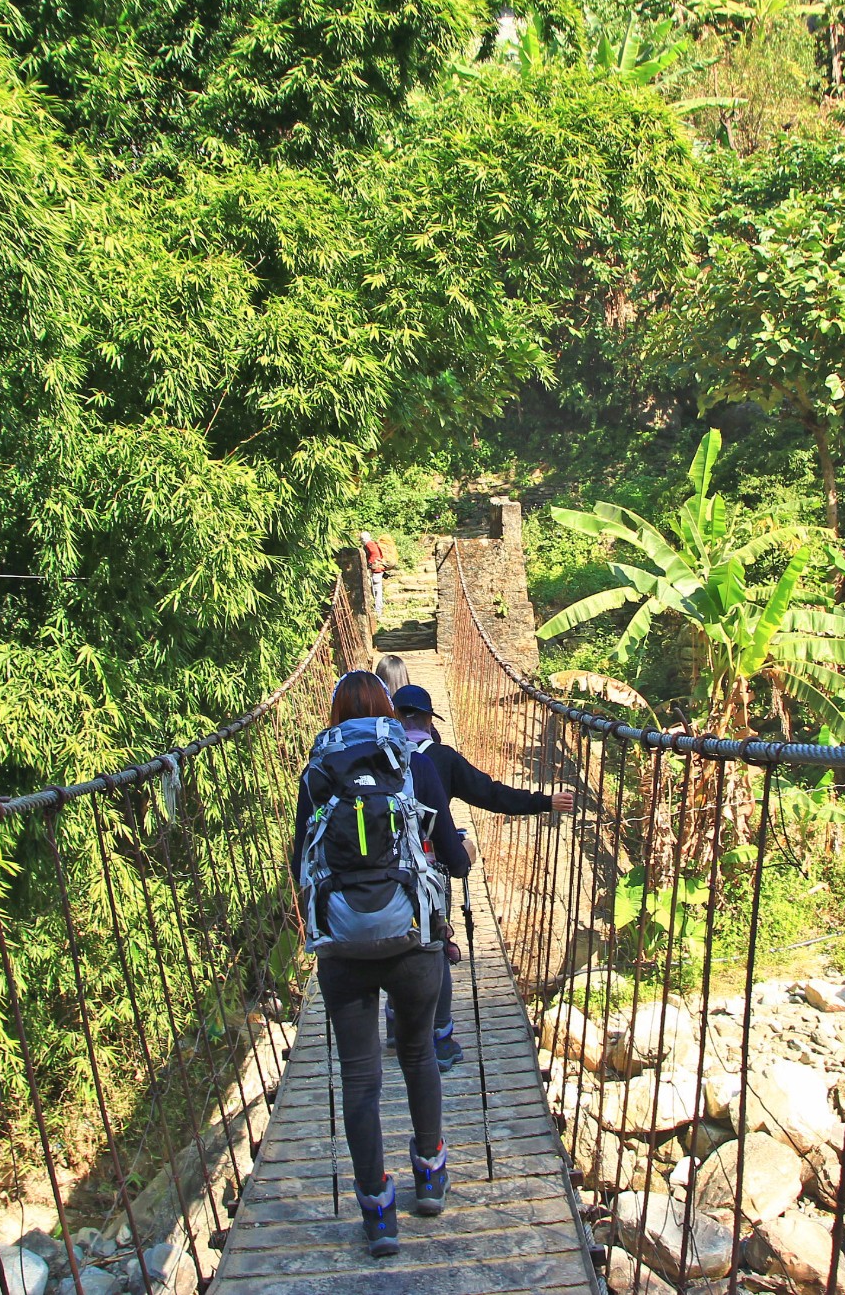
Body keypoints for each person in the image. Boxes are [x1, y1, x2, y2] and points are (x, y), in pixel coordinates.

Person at [294, 671, 470, 1256]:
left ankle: (377, 1214)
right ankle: (431, 1176)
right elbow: (446, 850)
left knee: (360, 1079)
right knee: (419, 1054)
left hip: (343, 945)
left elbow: (302, 862)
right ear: (389, 713)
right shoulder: (413, 759)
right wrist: (460, 860)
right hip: (411, 938)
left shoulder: (318, 772)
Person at [387, 682, 574, 1070]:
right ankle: (439, 1041)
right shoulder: (439, 758)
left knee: (395, 943)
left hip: (381, 873)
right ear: (427, 719)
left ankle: (396, 1025)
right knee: (433, 948)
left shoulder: (372, 755)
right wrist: (545, 802)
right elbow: (490, 794)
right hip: (427, 870)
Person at [360, 531, 386, 618]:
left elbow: (375, 554)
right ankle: (379, 607)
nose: (361, 541)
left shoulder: (369, 544)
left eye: (362, 539)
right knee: (377, 590)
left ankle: (378, 610)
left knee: (376, 591)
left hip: (376, 570)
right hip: (379, 569)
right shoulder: (373, 543)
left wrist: (369, 564)